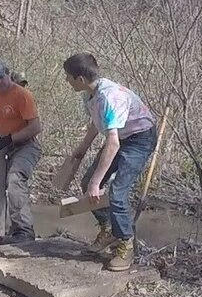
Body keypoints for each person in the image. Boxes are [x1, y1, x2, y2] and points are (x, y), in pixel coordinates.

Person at [62, 53, 157, 272]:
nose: (67, 81)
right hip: (122, 137)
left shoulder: (109, 97)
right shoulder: (89, 94)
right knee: (87, 183)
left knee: (116, 192)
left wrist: (98, 182)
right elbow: (97, 124)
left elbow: (112, 143)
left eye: (68, 77)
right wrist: (81, 149)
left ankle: (125, 243)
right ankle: (109, 230)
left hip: (139, 139)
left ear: (81, 79)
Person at [0, 61, 43, 242]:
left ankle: (24, 231)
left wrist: (8, 139)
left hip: (27, 146)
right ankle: (6, 227)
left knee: (15, 179)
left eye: (1, 78)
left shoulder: (22, 94)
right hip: (7, 147)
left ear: (8, 74)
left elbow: (35, 127)